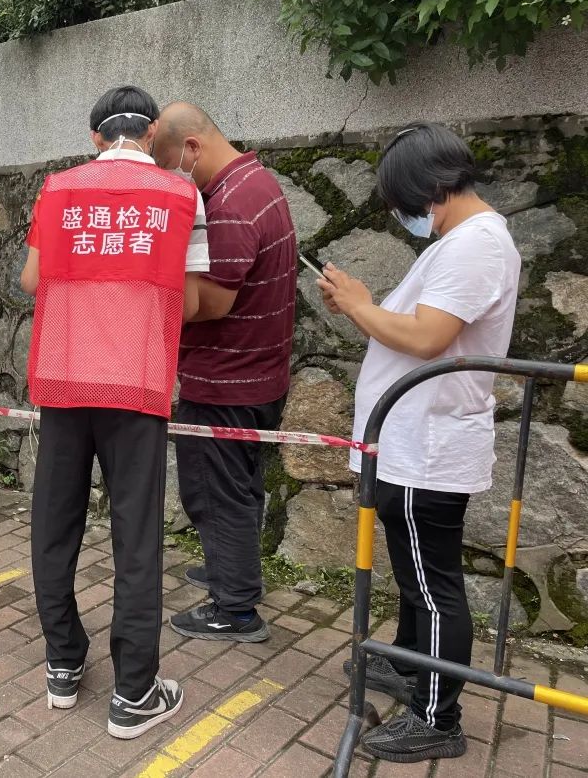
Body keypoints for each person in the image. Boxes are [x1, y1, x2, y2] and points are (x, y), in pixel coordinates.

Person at [317, 123, 520, 763]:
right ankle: (410, 665)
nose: (401, 214)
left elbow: (428, 339)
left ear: (430, 187)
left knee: (432, 586)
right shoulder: (461, 241)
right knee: (417, 578)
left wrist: (358, 304)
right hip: (411, 439)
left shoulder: (475, 245)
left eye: (402, 200)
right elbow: (417, 329)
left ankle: (437, 717)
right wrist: (362, 305)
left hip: (427, 445)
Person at [19, 86, 210, 739]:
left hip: (64, 376)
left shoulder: (58, 190)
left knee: (54, 525)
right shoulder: (181, 195)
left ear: (95, 136)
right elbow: (188, 304)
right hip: (137, 382)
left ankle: (62, 663)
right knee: (136, 537)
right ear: (152, 132)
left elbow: (31, 280)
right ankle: (134, 693)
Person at [149, 103, 297, 644]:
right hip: (256, 374)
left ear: (192, 147)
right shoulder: (257, 182)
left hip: (227, 379)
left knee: (216, 493)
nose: (174, 179)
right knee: (239, 487)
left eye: (171, 166)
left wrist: (153, 292)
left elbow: (211, 302)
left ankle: (234, 608)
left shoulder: (231, 206)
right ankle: (231, 570)